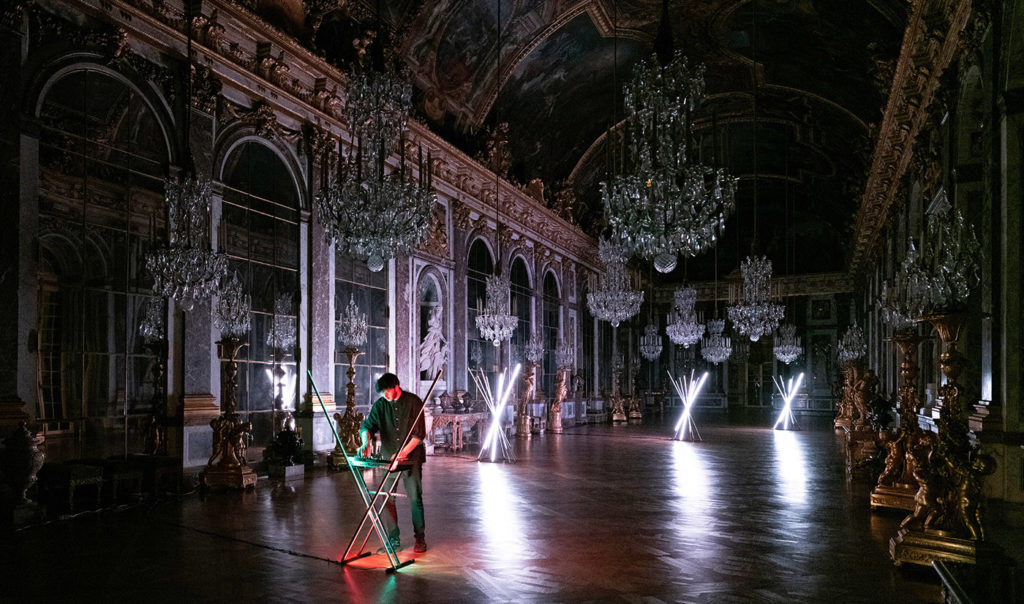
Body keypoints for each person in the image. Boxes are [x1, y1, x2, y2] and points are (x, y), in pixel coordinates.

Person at [358, 373, 427, 553]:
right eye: (383, 394)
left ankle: (420, 538)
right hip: (388, 459)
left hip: (411, 458)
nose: (385, 396)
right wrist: (366, 442)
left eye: (387, 392)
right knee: (386, 497)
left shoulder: (414, 402)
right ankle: (393, 540)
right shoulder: (381, 405)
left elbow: (419, 436)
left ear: (396, 386)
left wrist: (402, 453)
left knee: (414, 498)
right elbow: (367, 426)